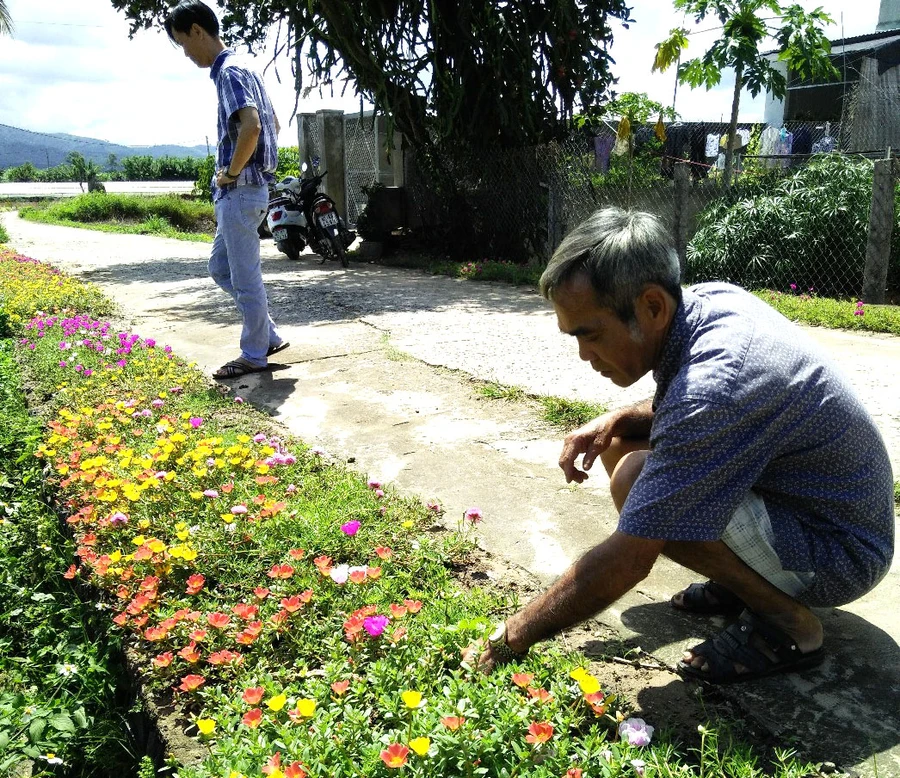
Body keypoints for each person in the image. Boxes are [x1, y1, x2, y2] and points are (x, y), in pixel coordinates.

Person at [469, 208, 894, 683]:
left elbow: (631, 556)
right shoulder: (710, 303)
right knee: (626, 442)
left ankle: (790, 624)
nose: (585, 356)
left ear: (652, 306)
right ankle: (743, 585)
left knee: (637, 482)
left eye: (590, 334)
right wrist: (618, 418)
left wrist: (514, 634)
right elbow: (689, 405)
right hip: (813, 507)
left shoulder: (715, 388)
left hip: (840, 552)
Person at [164, 1, 289, 379]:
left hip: (241, 191)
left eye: (183, 43)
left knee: (245, 277)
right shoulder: (246, 67)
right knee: (220, 267)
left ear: (197, 31)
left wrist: (230, 173)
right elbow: (276, 125)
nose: (186, 54)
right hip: (248, 191)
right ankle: (266, 336)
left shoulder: (229, 72)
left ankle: (253, 353)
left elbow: (252, 127)